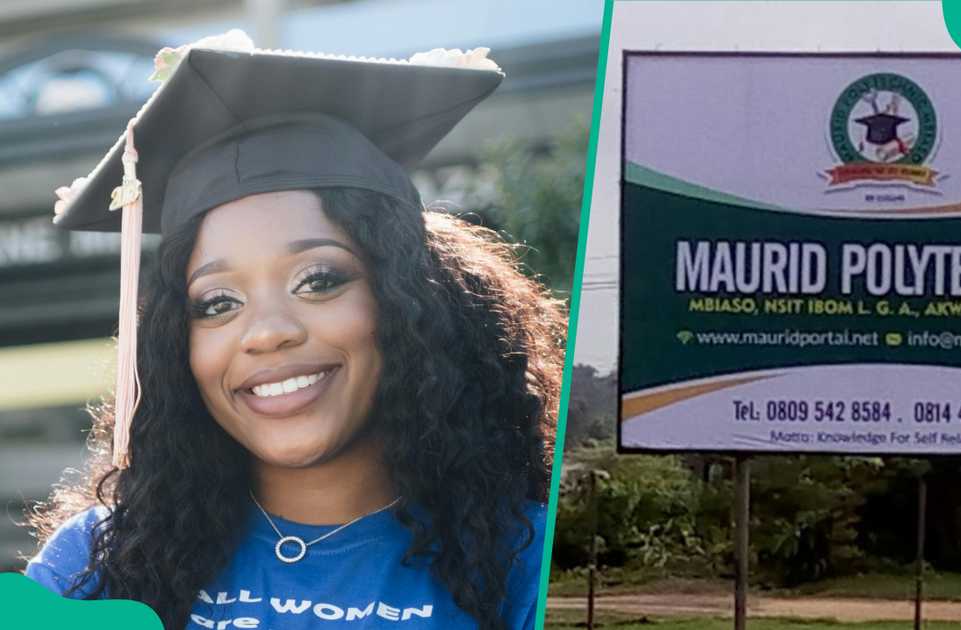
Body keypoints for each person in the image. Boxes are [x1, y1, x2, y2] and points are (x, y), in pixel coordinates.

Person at [23, 32, 565, 630]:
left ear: (412, 299)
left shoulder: (529, 565)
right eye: (217, 302)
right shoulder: (99, 565)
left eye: (319, 279)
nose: (267, 333)